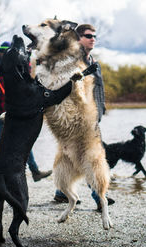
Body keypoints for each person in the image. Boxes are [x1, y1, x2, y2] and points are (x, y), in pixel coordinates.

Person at [53, 24, 115, 211]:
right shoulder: (72, 63)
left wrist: (101, 109)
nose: (92, 38)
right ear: (78, 39)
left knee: (71, 155)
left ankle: (61, 192)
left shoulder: (94, 62)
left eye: (94, 36)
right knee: (90, 156)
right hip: (77, 120)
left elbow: (99, 89)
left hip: (93, 117)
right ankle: (98, 196)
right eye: (88, 35)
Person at [0, 41, 52, 182]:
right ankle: (30, 171)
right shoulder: (8, 68)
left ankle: (1, 172)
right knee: (18, 142)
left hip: (1, 113)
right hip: (11, 114)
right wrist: (27, 56)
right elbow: (25, 74)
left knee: (6, 143)